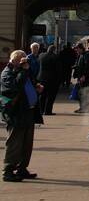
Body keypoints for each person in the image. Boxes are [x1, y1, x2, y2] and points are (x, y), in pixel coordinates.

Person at [1, 50, 39, 182]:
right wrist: (23, 71)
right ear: (15, 61)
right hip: (16, 114)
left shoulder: (20, 71)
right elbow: (15, 86)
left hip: (27, 111)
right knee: (14, 143)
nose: (24, 63)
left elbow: (29, 81)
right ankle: (8, 170)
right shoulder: (7, 73)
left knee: (26, 143)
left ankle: (22, 168)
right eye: (22, 61)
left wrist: (36, 86)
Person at [38, 43, 63, 116]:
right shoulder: (55, 57)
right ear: (54, 50)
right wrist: (59, 80)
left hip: (41, 78)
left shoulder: (41, 55)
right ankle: (47, 111)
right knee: (50, 96)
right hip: (52, 80)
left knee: (42, 95)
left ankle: (41, 110)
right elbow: (59, 70)